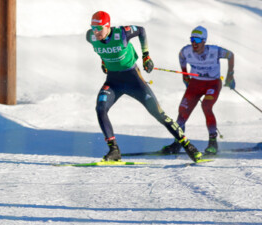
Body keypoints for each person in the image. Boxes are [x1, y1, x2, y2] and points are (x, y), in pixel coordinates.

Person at [87, 11, 203, 163]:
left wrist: (146, 55)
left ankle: (188, 146)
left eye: (99, 28)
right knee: (100, 108)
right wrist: (104, 62)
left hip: (133, 79)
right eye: (93, 27)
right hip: (113, 81)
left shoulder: (122, 33)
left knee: (158, 113)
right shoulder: (90, 36)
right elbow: (101, 50)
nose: (96, 32)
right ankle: (114, 150)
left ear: (108, 26)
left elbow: (141, 30)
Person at [161, 26, 234, 156]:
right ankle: (178, 142)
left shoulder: (214, 51)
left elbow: (230, 55)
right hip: (195, 84)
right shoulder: (186, 51)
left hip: (213, 83)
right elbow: (181, 56)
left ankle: (213, 142)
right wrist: (185, 74)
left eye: (197, 40)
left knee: (206, 106)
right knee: (182, 111)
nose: (194, 43)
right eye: (192, 39)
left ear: (204, 41)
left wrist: (230, 75)